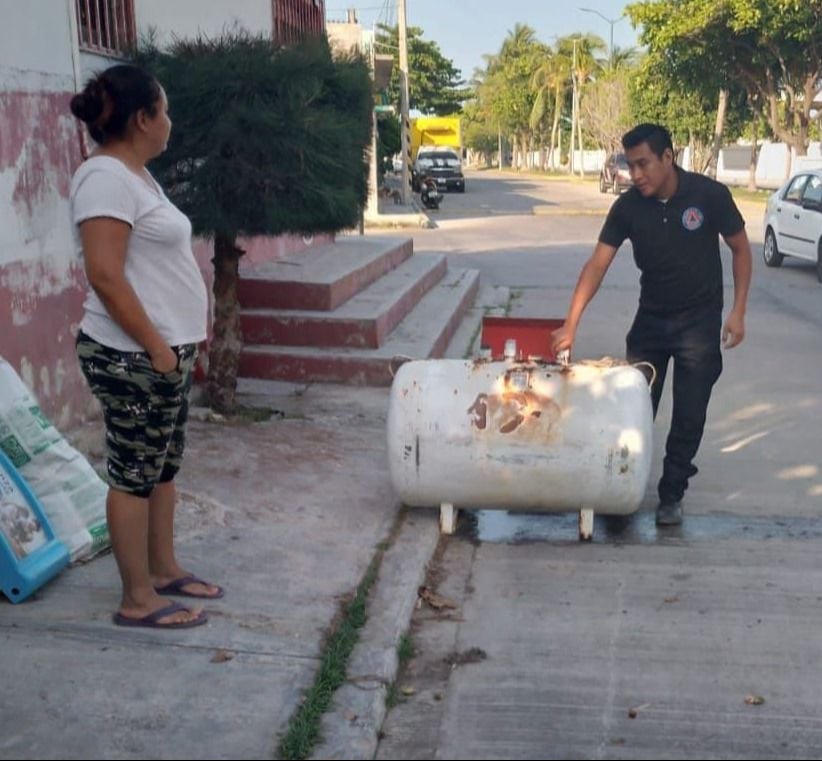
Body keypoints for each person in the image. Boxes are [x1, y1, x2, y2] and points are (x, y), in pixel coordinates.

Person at [70, 65, 221, 628]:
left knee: (162, 468)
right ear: (143, 119)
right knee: (134, 472)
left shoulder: (134, 175)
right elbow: (105, 275)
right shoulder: (106, 179)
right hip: (131, 355)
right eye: (165, 110)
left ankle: (163, 570)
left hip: (161, 353)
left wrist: (180, 344)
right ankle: (137, 598)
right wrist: (158, 347)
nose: (170, 122)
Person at [552, 123, 752, 526]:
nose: (636, 174)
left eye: (643, 164)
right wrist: (571, 323)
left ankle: (671, 494)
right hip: (652, 322)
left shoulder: (709, 196)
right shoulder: (627, 207)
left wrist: (738, 311)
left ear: (667, 157)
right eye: (630, 165)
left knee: (689, 416)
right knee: (633, 409)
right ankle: (621, 489)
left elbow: (740, 248)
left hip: (699, 324)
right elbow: (597, 265)